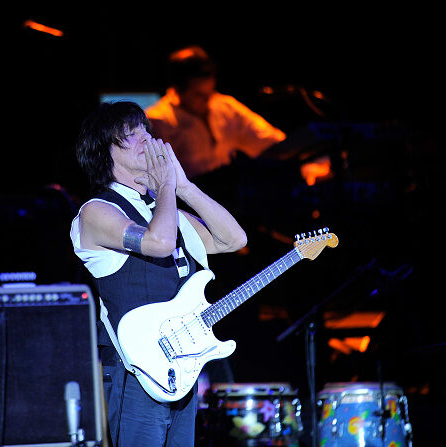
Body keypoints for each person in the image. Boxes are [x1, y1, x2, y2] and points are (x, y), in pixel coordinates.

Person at [70, 101, 247, 447]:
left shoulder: (163, 207)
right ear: (106, 153)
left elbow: (233, 239)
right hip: (133, 374)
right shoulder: (96, 212)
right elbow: (159, 242)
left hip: (180, 368)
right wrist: (166, 185)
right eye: (131, 135)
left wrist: (183, 187)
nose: (147, 140)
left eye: (145, 130)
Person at [146, 45, 286, 179]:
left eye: (210, 92)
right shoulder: (157, 121)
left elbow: (273, 142)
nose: (207, 100)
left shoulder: (225, 106)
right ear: (178, 90)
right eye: (199, 95)